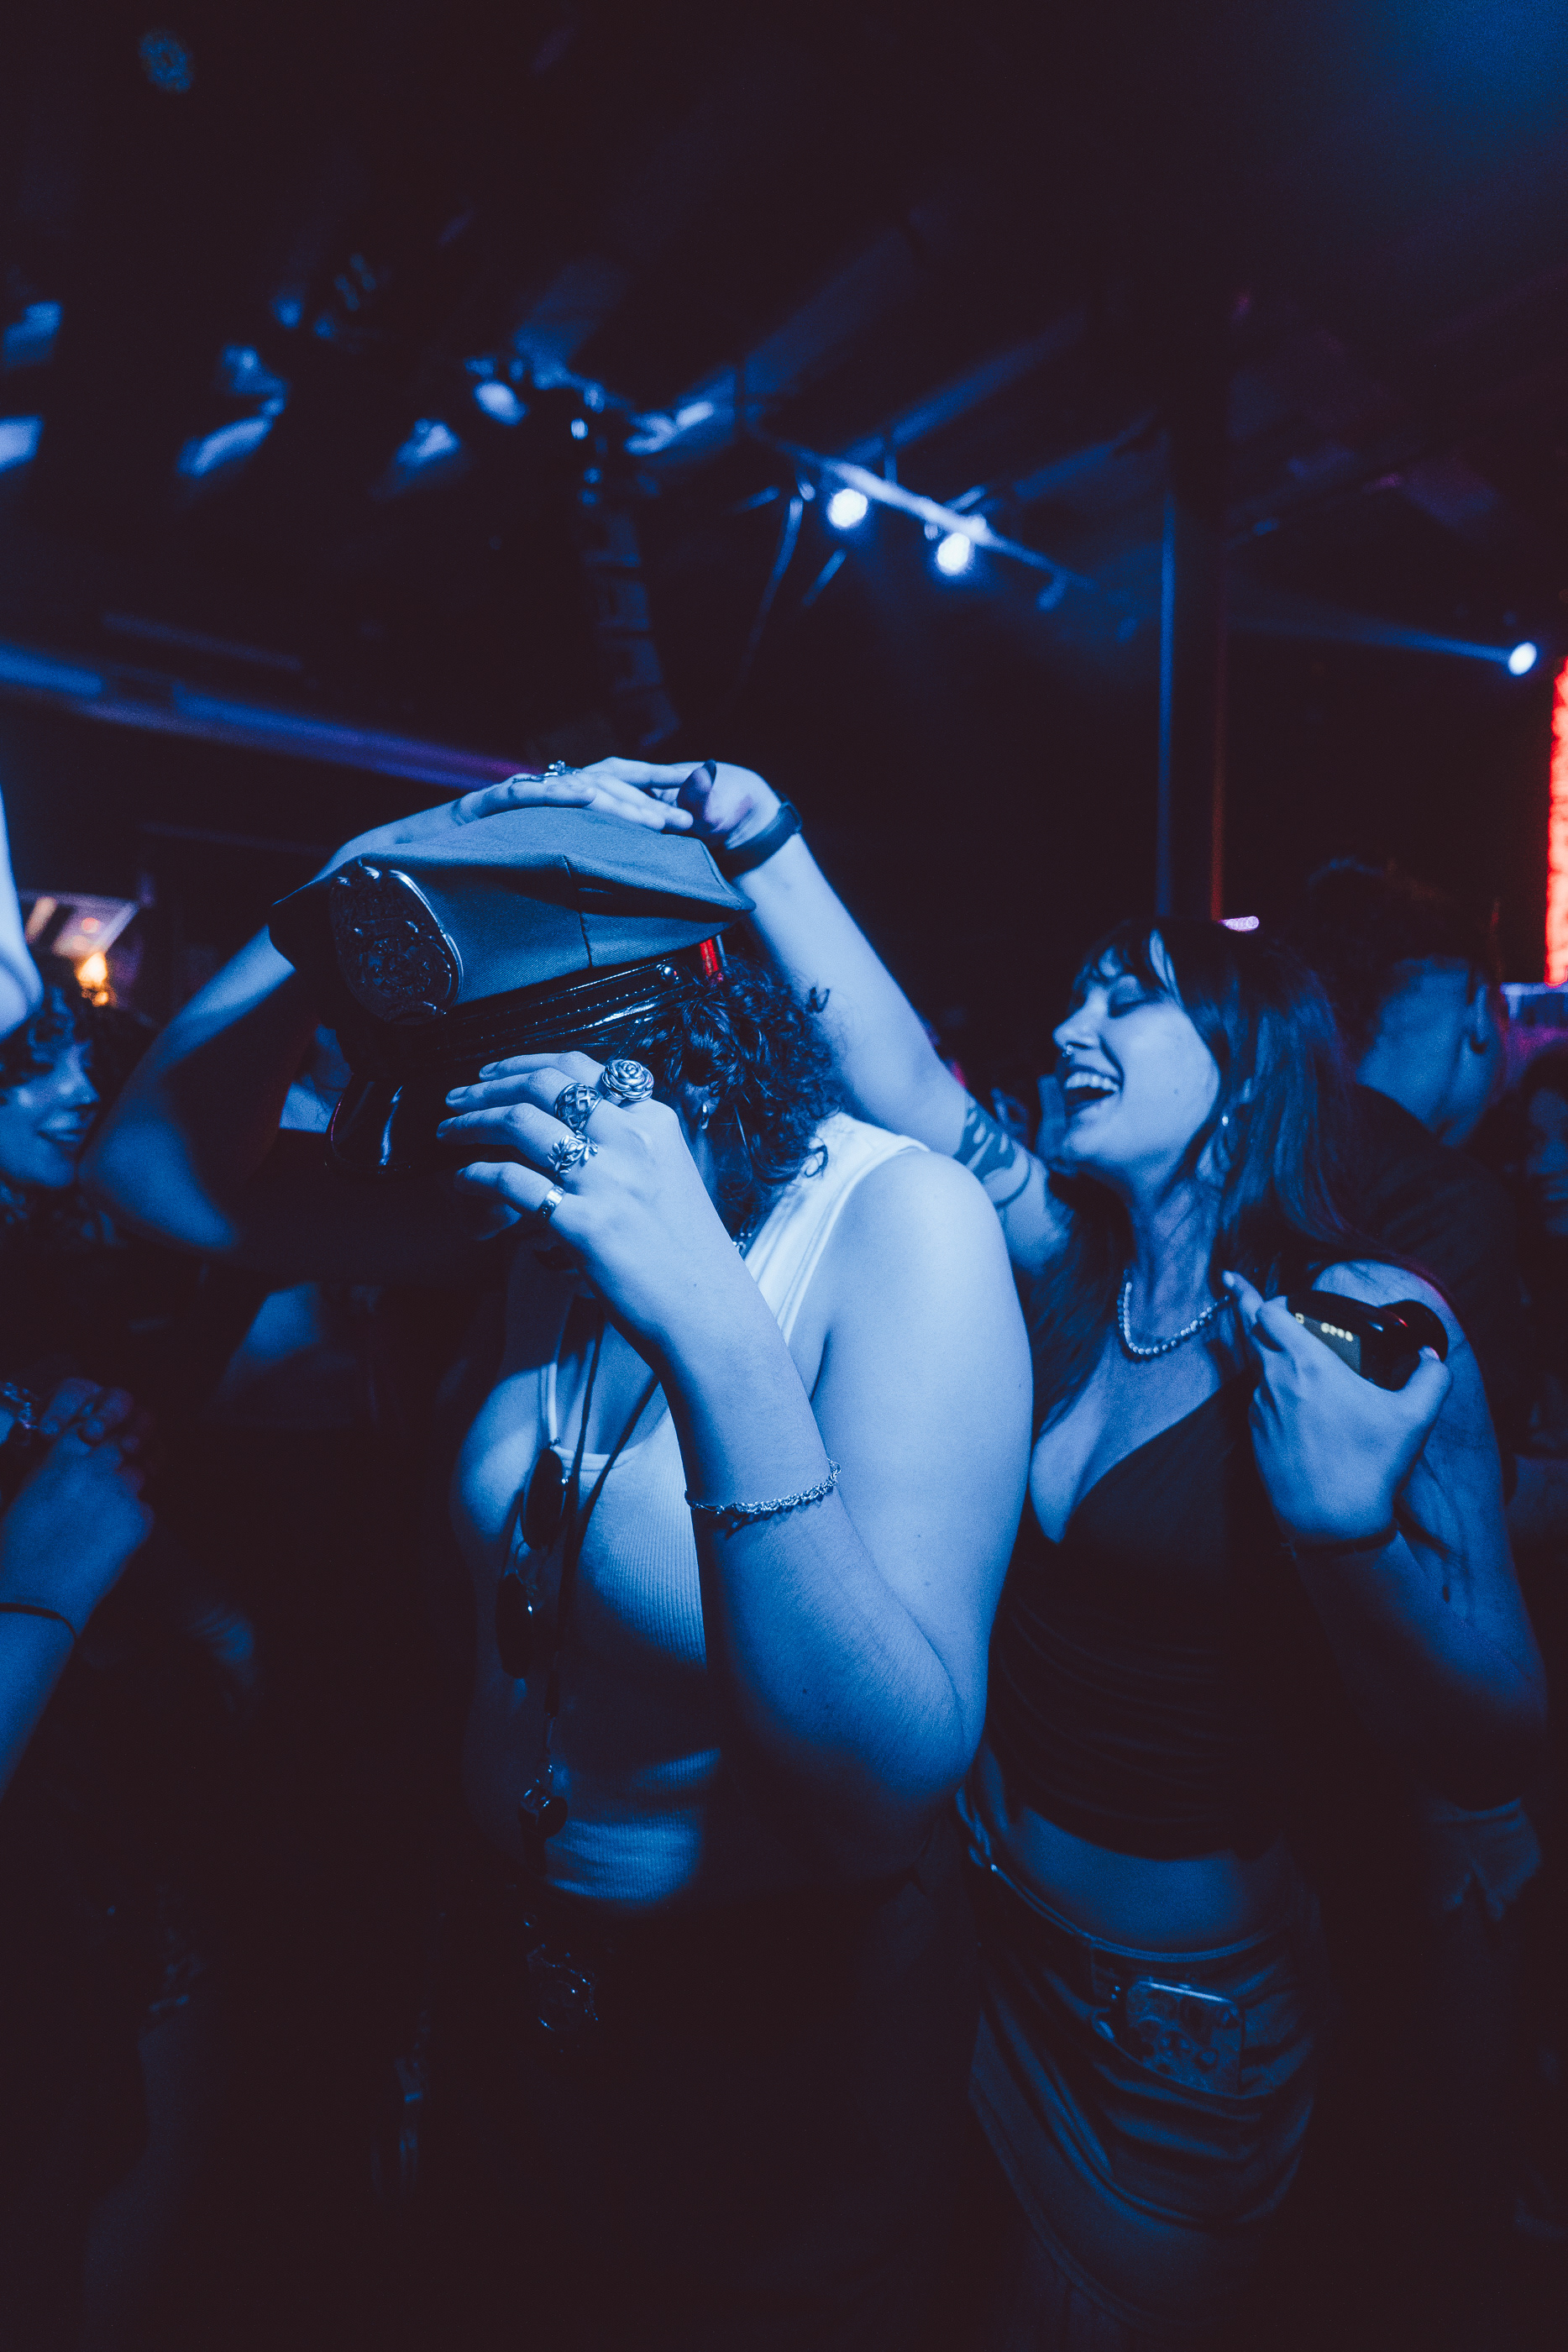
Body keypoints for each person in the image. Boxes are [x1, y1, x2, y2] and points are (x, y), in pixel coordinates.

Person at [521, 757, 1547, 2347]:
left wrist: (1347, 1537)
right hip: (983, 1945)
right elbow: (898, 1072)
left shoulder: (1362, 1320)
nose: (1072, 1025)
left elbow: (1496, 1730)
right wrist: (762, 837)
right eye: (1075, 995)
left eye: (1126, 1000)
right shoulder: (1068, 1271)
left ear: (1248, 1062)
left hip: (1175, 2020)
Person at [82, 784, 1031, 2349]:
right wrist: (365, 876)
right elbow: (155, 1175)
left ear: (688, 1034)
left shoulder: (899, 1222)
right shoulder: (529, 1205)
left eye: (530, 1101)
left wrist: (712, 1327)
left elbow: (881, 1790)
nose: (504, 1159)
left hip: (778, 2042)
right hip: (514, 1986)